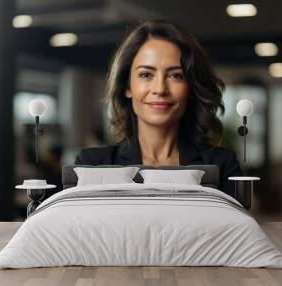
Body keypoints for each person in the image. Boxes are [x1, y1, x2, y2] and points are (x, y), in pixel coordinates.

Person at [75, 20, 242, 198]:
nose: (160, 89)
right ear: (127, 86)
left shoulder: (221, 165)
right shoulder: (92, 165)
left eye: (175, 75)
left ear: (191, 88)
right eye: (146, 75)